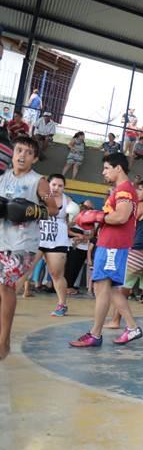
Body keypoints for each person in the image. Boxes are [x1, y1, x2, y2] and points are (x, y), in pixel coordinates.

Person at [69, 152, 143, 347]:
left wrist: (96, 216)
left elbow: (121, 217)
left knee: (102, 287)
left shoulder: (124, 190)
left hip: (113, 245)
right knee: (106, 288)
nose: (104, 172)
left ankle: (96, 334)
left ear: (118, 168)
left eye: (106, 168)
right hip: (109, 243)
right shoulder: (120, 190)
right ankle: (131, 328)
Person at [0, 136, 58, 359]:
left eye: (28, 152)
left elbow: (52, 208)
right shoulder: (3, 177)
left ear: (34, 159)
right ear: (13, 154)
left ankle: (4, 343)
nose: (22, 155)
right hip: (2, 239)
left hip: (22, 244)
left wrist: (33, 211)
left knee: (6, 287)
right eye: (19, 150)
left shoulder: (39, 181)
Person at [104, 179, 143, 327]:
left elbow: (125, 221)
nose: (136, 192)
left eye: (139, 190)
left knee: (124, 286)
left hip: (140, 251)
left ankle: (115, 320)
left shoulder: (141, 206)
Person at [38, 174, 75, 317]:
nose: (56, 188)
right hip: (38, 237)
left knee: (56, 274)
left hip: (57, 240)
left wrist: (73, 219)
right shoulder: (39, 196)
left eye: (60, 186)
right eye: (53, 184)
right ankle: (5, 301)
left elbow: (71, 223)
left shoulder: (68, 201)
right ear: (48, 184)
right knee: (24, 269)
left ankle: (62, 304)